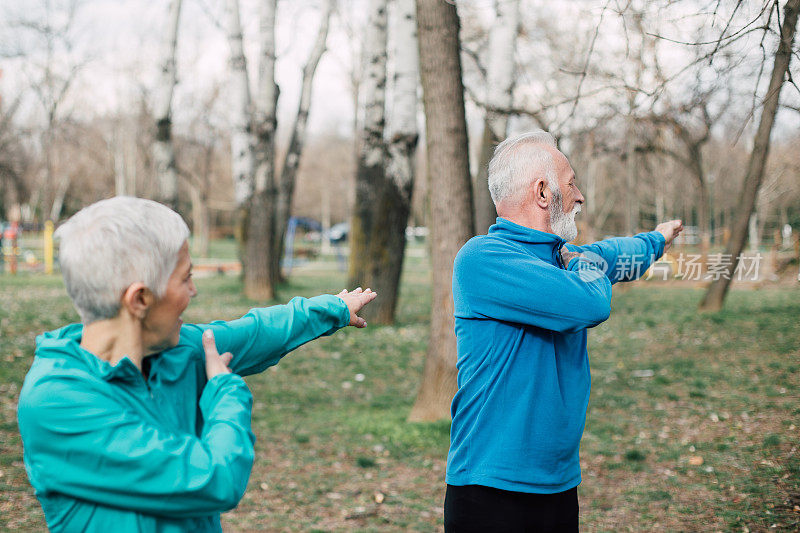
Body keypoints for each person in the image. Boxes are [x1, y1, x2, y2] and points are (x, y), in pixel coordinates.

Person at [17, 196, 377, 533]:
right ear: (140, 299)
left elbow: (259, 331)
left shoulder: (176, 347)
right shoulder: (56, 402)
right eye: (186, 277)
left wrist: (334, 308)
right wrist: (225, 391)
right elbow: (214, 478)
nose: (194, 291)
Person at [444, 130, 683, 532]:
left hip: (558, 485)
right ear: (542, 192)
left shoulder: (565, 259)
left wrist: (657, 239)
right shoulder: (483, 258)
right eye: (571, 183)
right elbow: (590, 303)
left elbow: (616, 255)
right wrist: (585, 264)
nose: (580, 196)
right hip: (490, 491)